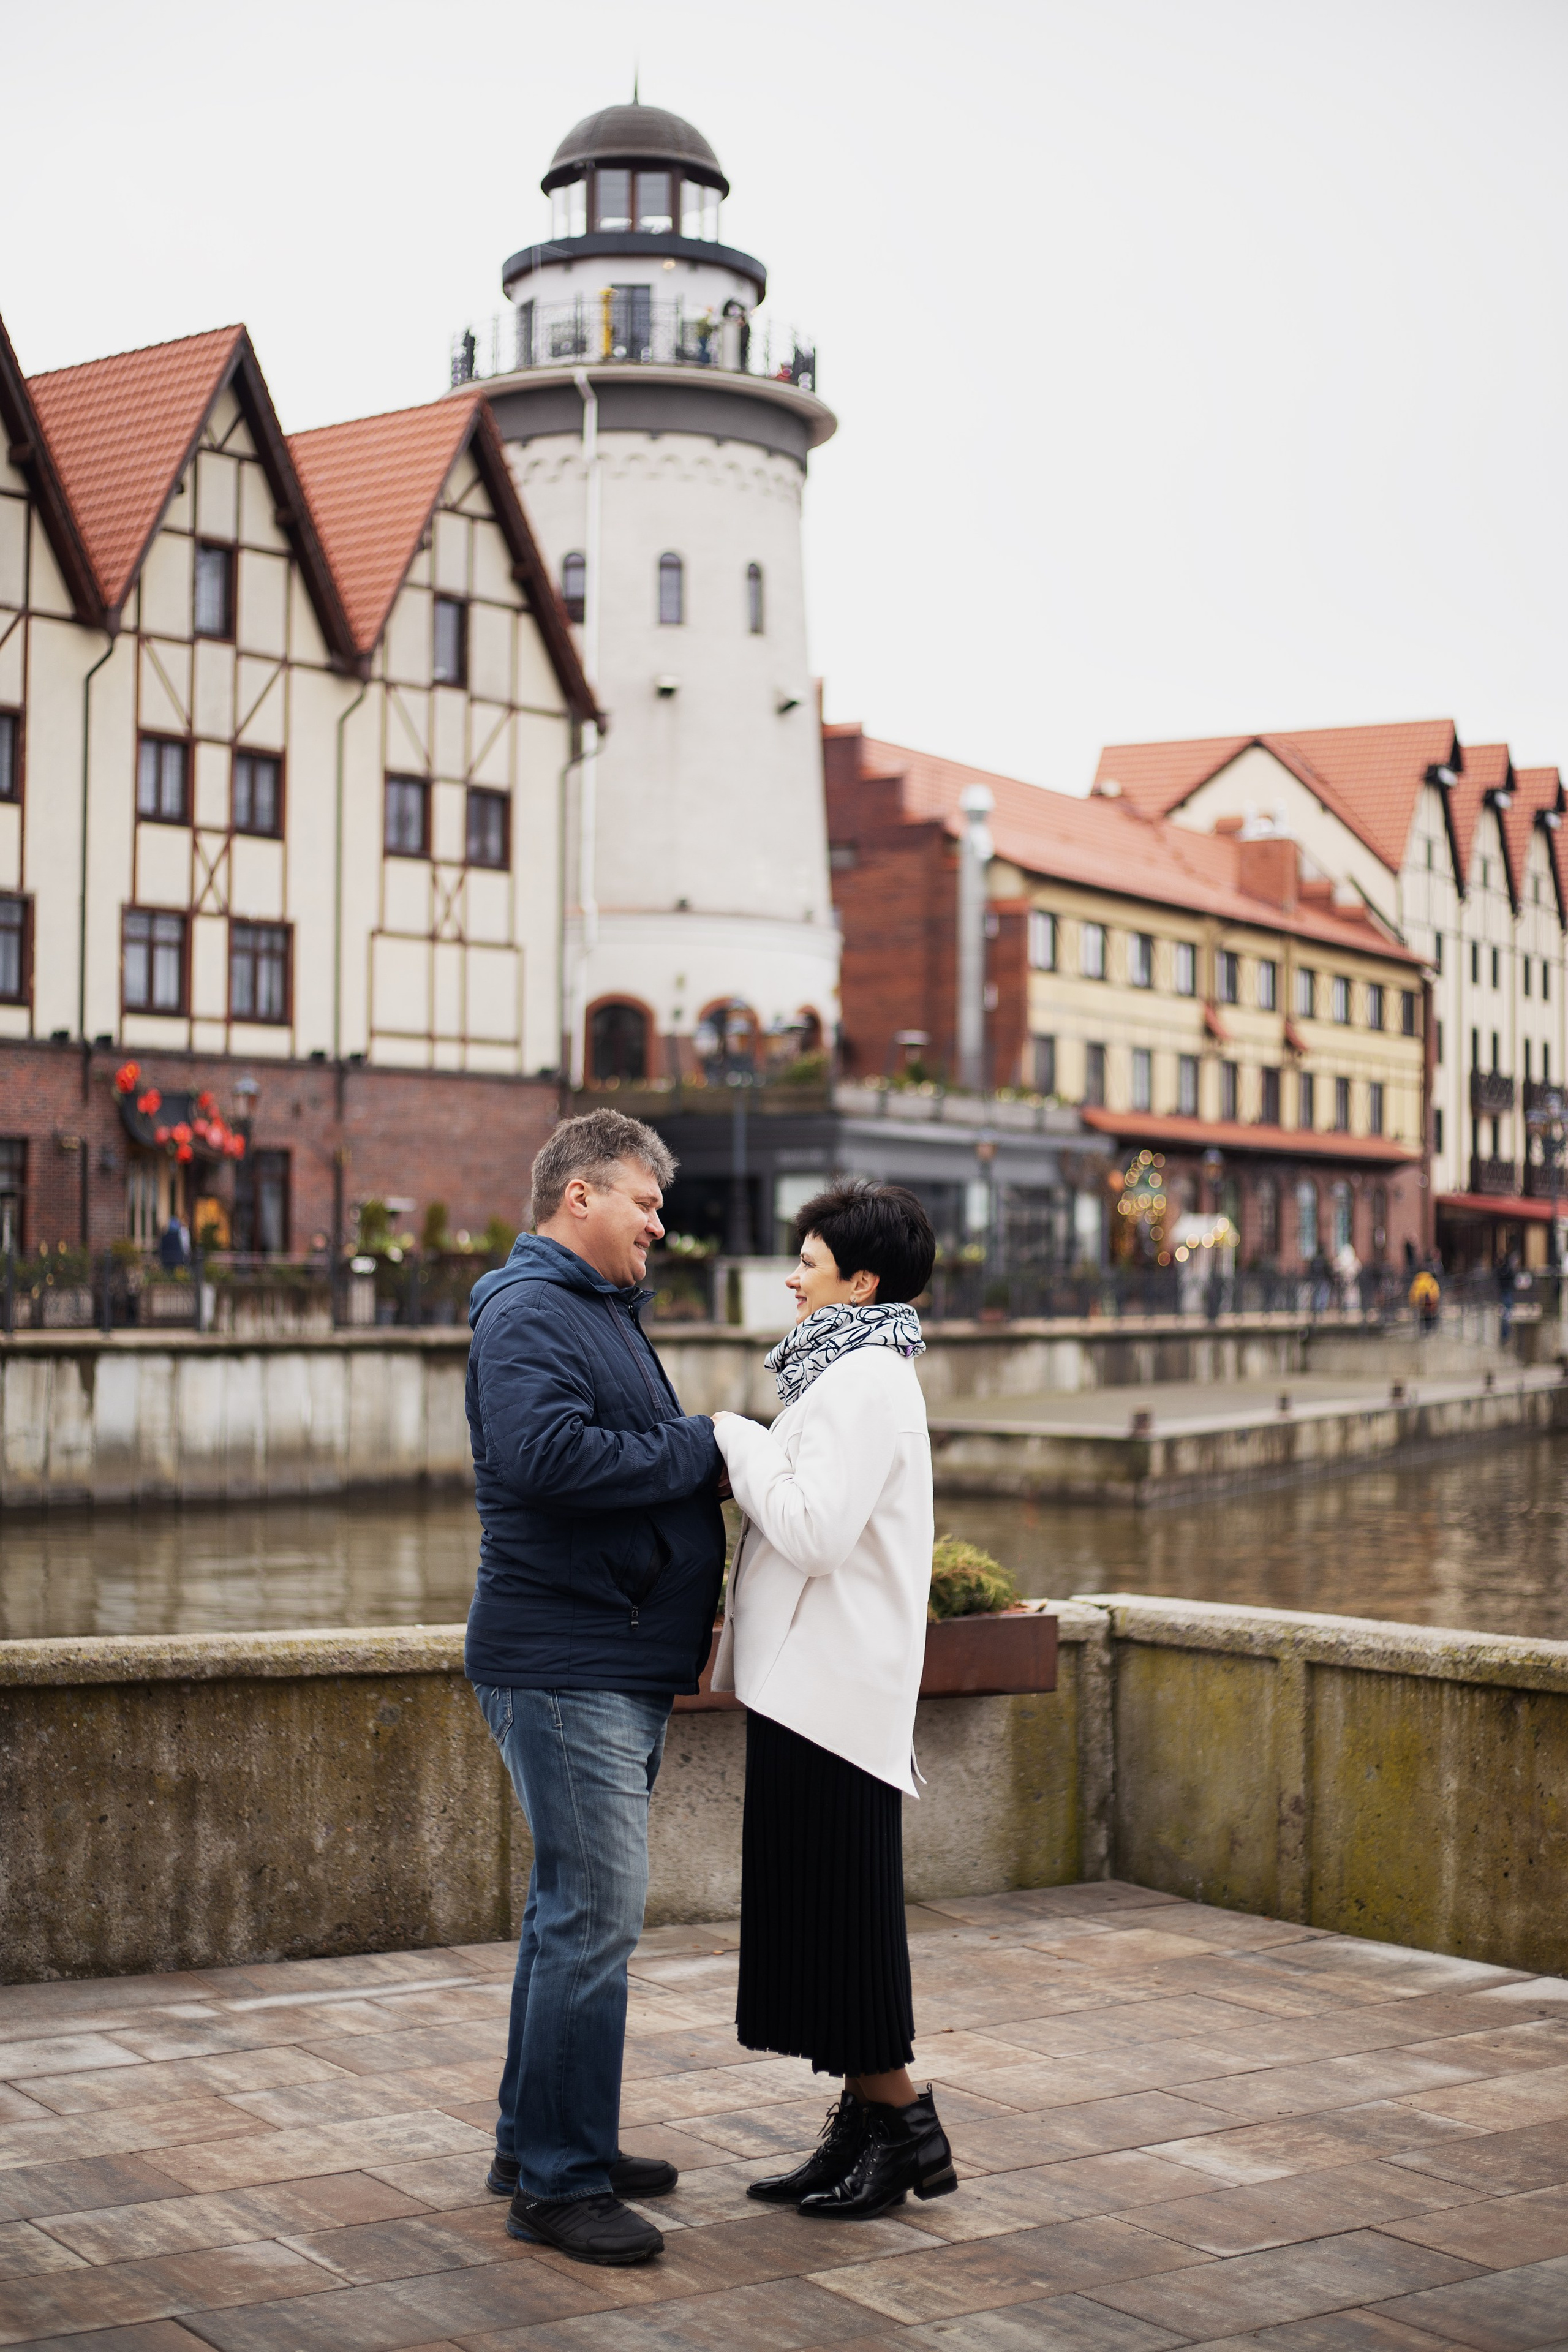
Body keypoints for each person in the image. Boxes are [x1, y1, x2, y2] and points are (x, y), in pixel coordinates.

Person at [464, 1109, 726, 2268]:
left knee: (566, 1914)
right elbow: (548, 1458)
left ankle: (538, 2144)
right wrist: (707, 1445)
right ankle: (559, 2185)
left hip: (602, 1657)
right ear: (581, 1196)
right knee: (592, 1919)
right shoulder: (532, 1310)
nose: (659, 1227)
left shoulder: (593, 1308)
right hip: (567, 1662)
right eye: (646, 1204)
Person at [710, 1181, 957, 2222]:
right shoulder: (852, 1369)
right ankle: (864, 2131)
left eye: (808, 1262)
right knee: (827, 1923)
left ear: (861, 1283)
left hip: (833, 1699)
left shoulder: (863, 1379)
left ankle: (907, 2135)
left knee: (846, 1930)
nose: (792, 1278)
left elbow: (814, 1532)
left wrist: (736, 1437)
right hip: (814, 1691)